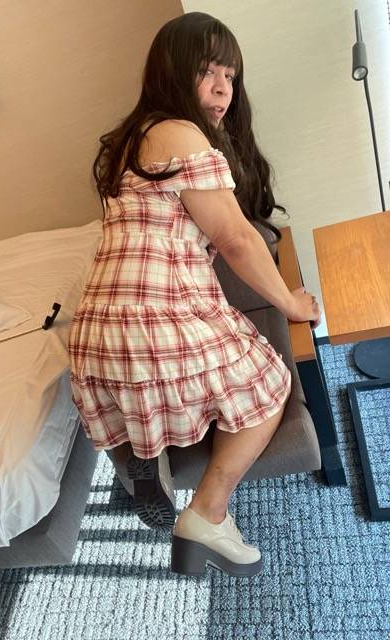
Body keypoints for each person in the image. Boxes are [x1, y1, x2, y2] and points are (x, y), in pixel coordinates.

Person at [68, 11, 320, 577]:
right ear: (171, 71)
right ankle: (208, 512)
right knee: (268, 386)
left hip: (94, 336)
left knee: (163, 376)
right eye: (208, 71)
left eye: (230, 76)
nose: (223, 88)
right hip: (155, 324)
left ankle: (146, 448)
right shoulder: (180, 133)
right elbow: (235, 239)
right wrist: (291, 303)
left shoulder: (128, 142)